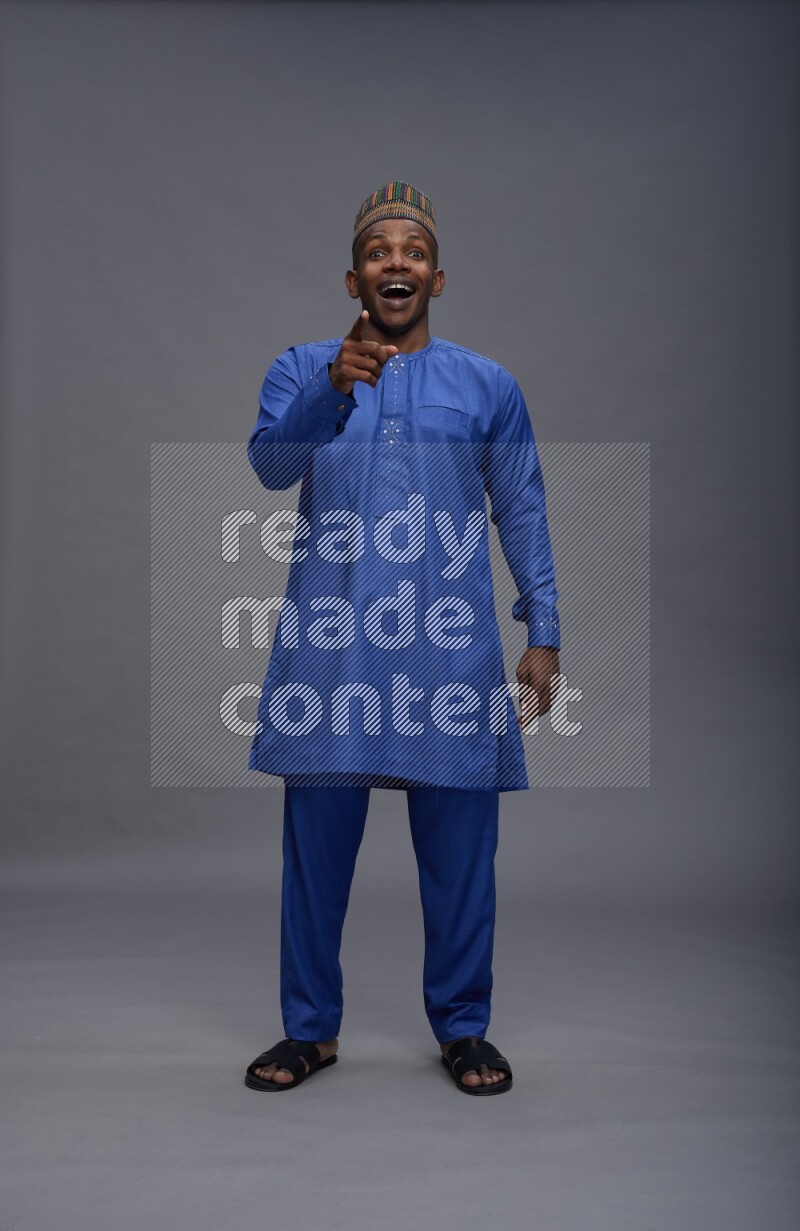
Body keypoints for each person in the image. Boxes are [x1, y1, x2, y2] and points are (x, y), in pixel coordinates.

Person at [243, 182, 560, 1095]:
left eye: (412, 251)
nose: (396, 262)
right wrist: (327, 393)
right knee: (315, 852)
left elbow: (523, 507)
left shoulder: (486, 384)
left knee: (462, 852)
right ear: (354, 275)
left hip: (447, 649)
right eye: (379, 251)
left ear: (438, 277)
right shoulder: (302, 366)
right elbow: (269, 466)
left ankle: (464, 1028)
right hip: (332, 649)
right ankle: (310, 1030)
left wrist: (544, 625)